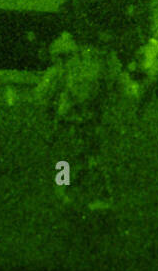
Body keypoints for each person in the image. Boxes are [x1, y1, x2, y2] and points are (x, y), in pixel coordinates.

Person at [35, 32, 129, 209]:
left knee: (87, 158)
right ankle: (67, 190)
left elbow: (82, 97)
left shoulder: (80, 73)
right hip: (73, 121)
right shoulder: (70, 72)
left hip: (81, 121)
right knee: (72, 158)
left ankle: (98, 194)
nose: (62, 60)